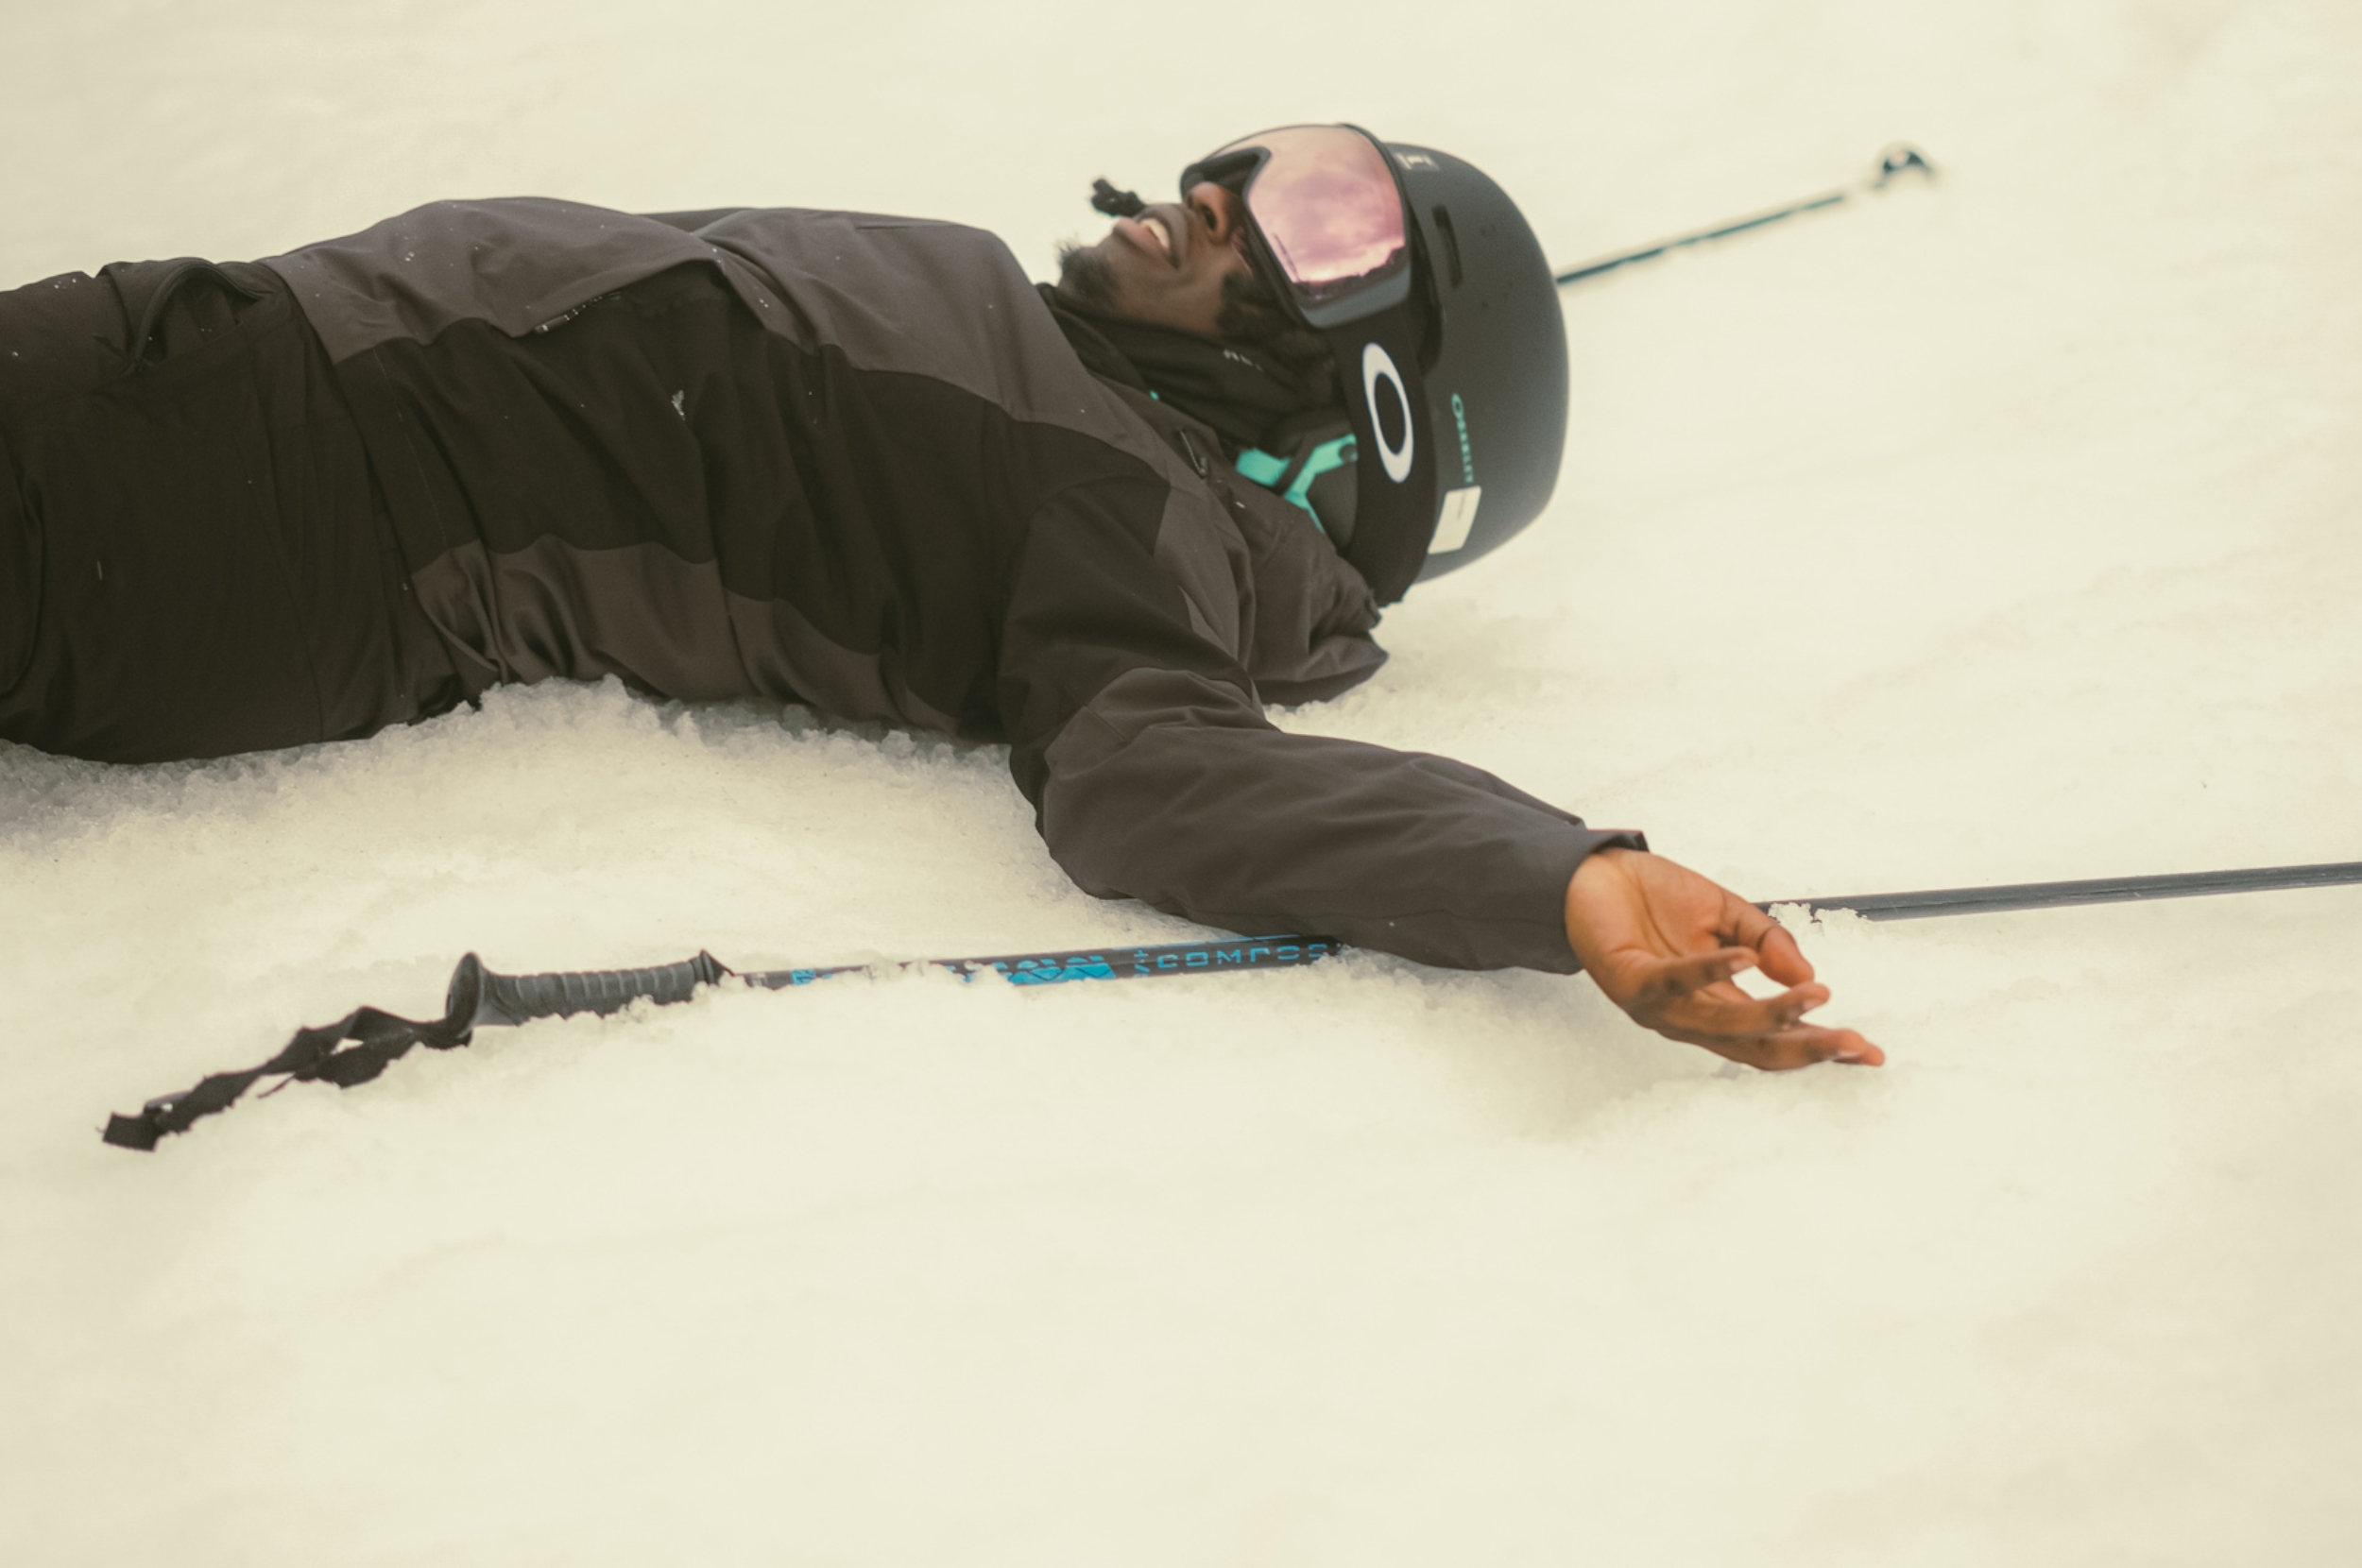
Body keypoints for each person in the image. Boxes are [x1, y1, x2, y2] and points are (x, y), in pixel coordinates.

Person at [0, 123, 1880, 1072]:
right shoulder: (1082, 399)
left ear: (1373, 410)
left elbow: (1159, 772)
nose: (1219, 187)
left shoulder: (1133, 515)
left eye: (1327, 230)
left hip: (248, 496)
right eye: (1277, 167)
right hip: (217, 404)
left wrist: (1550, 872)